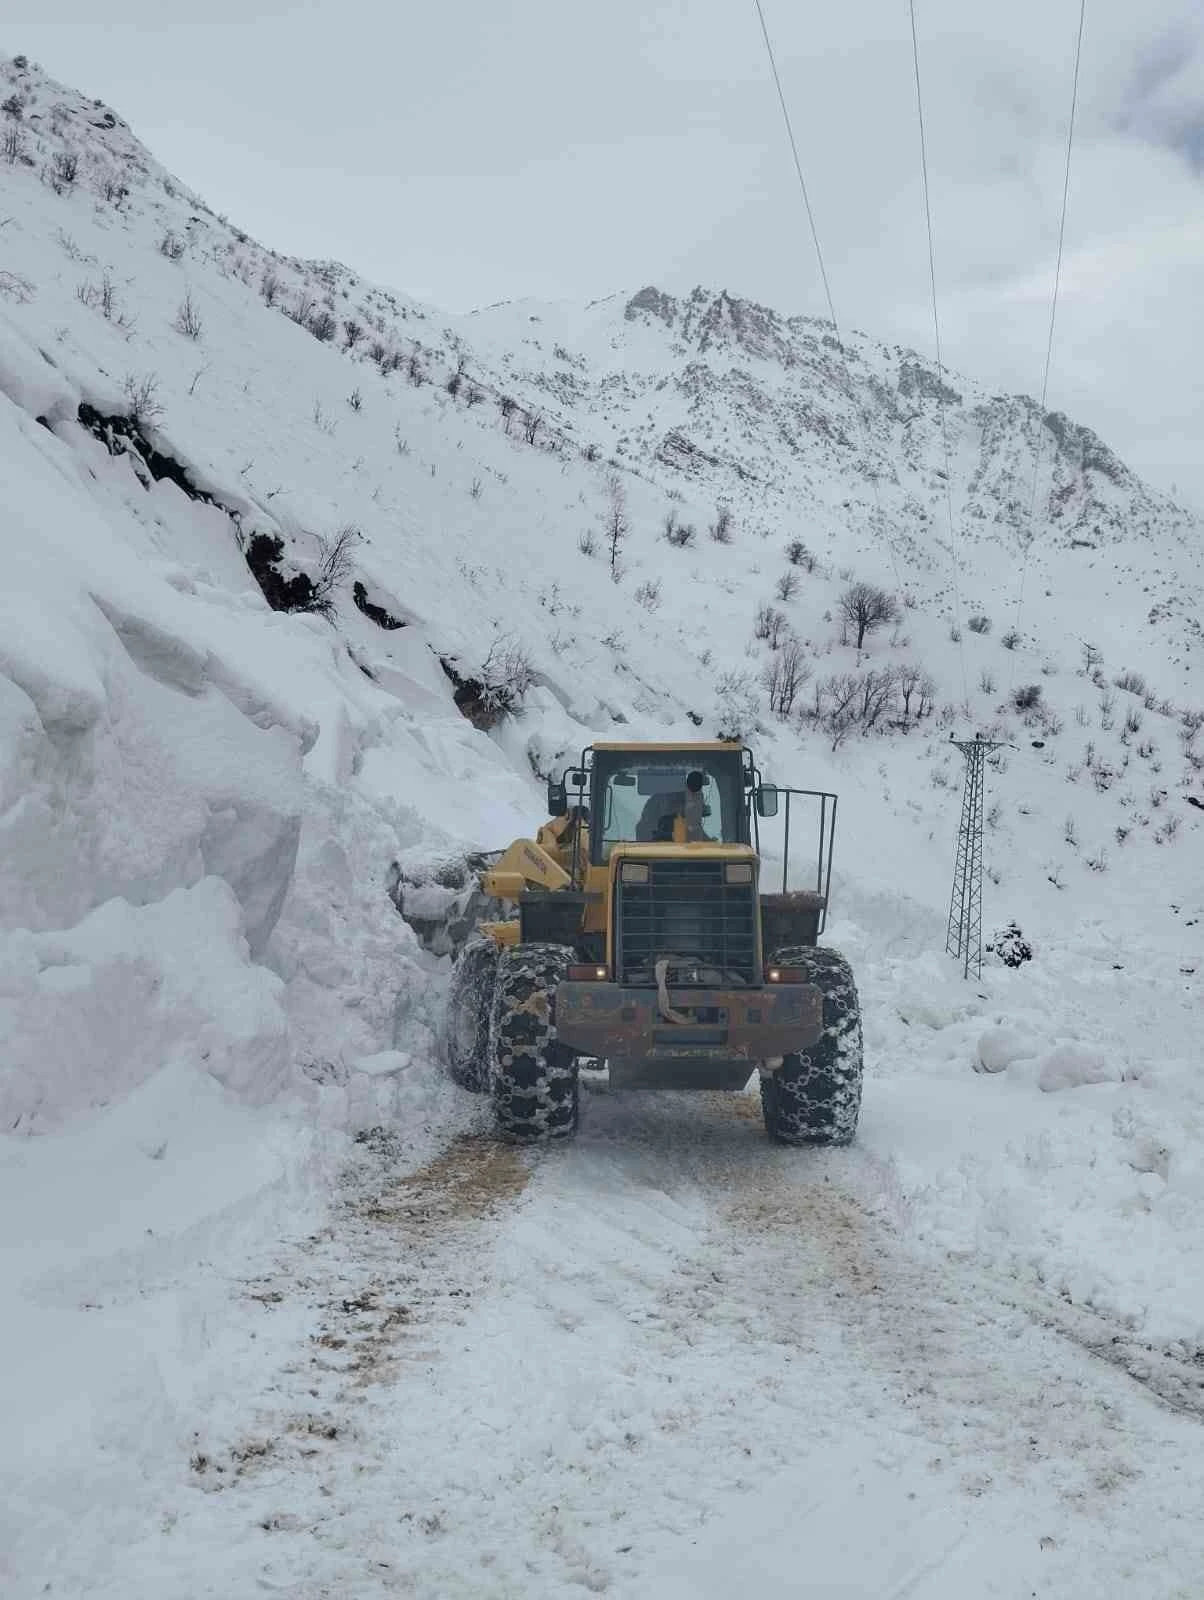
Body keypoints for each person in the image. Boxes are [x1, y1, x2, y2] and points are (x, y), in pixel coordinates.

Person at [635, 770, 710, 842]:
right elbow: (642, 842)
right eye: (673, 802)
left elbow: (706, 844)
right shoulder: (652, 811)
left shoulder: (691, 825)